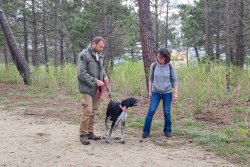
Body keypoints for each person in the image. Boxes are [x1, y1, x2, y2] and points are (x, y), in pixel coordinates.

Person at [77, 36, 109, 145]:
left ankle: (90, 132)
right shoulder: (83, 55)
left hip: (97, 89)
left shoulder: (99, 55)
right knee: (88, 110)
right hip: (86, 88)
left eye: (103, 47)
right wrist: (95, 81)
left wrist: (104, 76)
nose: (102, 48)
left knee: (93, 111)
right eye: (100, 46)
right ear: (94, 44)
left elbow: (101, 69)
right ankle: (83, 134)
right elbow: (81, 73)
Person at [142, 48, 178, 138]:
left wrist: (176, 92)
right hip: (155, 92)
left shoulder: (170, 66)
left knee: (167, 112)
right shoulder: (153, 65)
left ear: (166, 58)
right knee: (151, 110)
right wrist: (149, 91)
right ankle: (146, 131)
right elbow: (150, 79)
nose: (159, 59)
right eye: (158, 57)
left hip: (167, 92)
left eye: (161, 57)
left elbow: (174, 80)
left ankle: (167, 130)